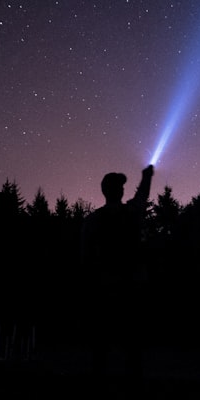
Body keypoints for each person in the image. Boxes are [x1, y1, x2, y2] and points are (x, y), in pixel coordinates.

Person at [80, 164, 154, 383]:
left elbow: (84, 259)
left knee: (101, 351)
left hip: (103, 292)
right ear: (118, 191)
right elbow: (141, 199)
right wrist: (146, 178)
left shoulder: (92, 221)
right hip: (128, 292)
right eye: (120, 187)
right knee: (131, 351)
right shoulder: (129, 215)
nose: (122, 190)